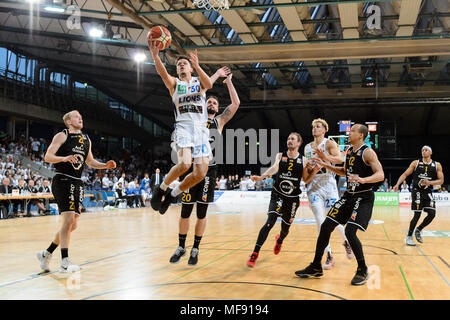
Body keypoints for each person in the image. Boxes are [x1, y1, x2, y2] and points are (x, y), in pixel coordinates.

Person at [295, 124, 384, 286]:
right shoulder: (349, 151)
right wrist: (326, 165)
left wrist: (364, 180)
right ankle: (316, 266)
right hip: (349, 195)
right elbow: (344, 171)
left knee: (350, 231)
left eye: (353, 131)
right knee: (326, 225)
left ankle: (362, 269)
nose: (349, 134)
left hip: (363, 198)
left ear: (361, 136)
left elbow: (380, 174)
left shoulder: (367, 152)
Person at [148, 38, 230, 215]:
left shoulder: (198, 83)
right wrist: (155, 56)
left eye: (184, 63)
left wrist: (198, 66)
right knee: (185, 163)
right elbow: (163, 74)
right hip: (183, 128)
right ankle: (160, 188)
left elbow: (209, 84)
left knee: (200, 173)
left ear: (191, 68)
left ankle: (172, 194)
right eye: (179, 65)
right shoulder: (175, 84)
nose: (181, 66)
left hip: (201, 131)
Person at [170, 72, 240, 266]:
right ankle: (181, 246)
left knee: (201, 212)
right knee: (185, 211)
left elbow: (235, 105)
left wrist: (229, 83)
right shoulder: (195, 119)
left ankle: (195, 248)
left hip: (210, 170)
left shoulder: (219, 122)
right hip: (193, 168)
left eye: (215, 103)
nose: (211, 104)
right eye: (208, 101)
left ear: (217, 109)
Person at [36, 110, 116, 273]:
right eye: (76, 117)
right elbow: (48, 156)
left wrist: (105, 165)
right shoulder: (62, 135)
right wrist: (64, 158)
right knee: (68, 220)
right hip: (63, 179)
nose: (80, 118)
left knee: (73, 224)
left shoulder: (86, 139)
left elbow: (91, 161)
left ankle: (46, 253)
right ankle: (64, 262)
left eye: (81, 116)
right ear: (69, 121)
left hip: (77, 182)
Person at [246, 132, 321, 268]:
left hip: (292, 199)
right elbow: (274, 168)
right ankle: (255, 253)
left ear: (299, 143)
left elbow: (305, 179)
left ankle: (279, 240)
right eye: (288, 138)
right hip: (278, 194)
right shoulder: (280, 156)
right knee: (270, 222)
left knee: (285, 229)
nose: (289, 141)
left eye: (292, 139)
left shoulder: (303, 160)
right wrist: (262, 177)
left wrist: (313, 170)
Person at [304, 118, 354, 270]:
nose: (315, 129)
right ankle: (329, 255)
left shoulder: (329, 143)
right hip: (314, 186)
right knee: (320, 221)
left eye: (318, 127)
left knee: (334, 219)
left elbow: (339, 160)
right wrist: (309, 168)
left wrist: (324, 158)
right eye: (313, 127)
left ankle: (346, 242)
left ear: (324, 130)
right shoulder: (307, 147)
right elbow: (307, 169)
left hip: (329, 184)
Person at [393, 146, 444, 246]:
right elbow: (405, 174)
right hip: (417, 191)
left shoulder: (436, 165)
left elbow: (441, 181)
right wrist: (397, 184)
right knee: (417, 214)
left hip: (428, 191)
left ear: (431, 152)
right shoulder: (415, 163)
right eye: (422, 150)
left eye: (426, 150)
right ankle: (408, 237)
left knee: (432, 214)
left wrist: (429, 182)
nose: (423, 151)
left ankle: (418, 229)